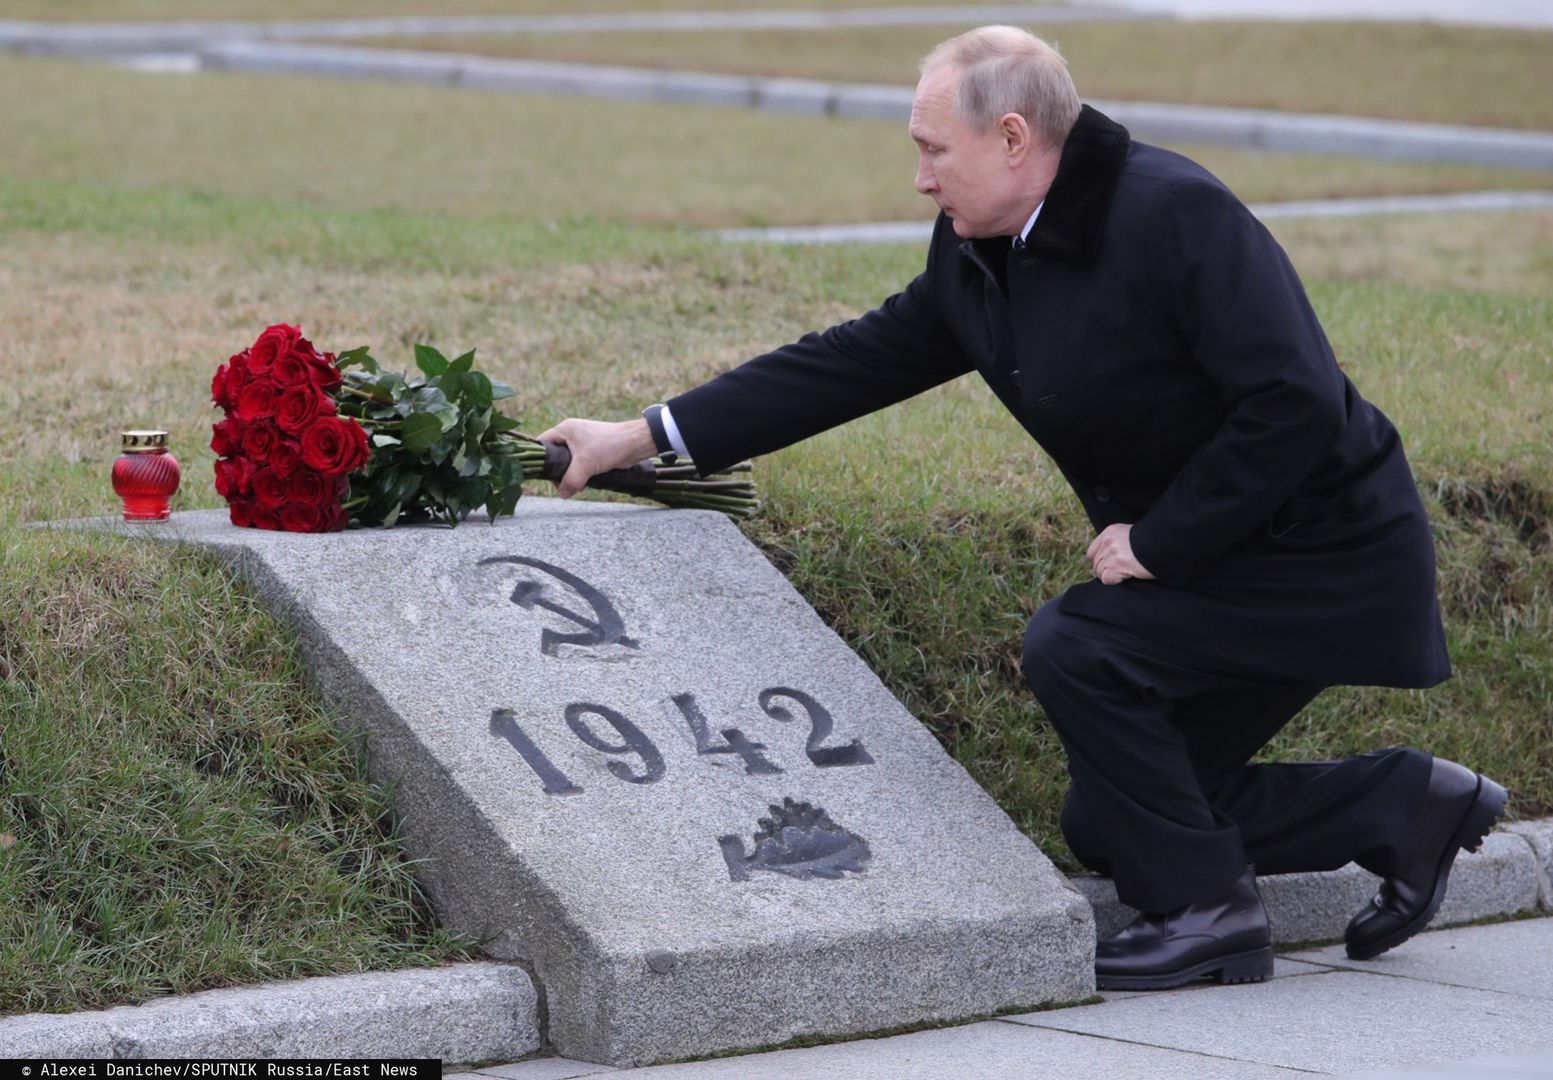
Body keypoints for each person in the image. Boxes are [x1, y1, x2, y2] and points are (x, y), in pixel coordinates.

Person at [538, 25, 1508, 990]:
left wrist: (1163, 542)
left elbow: (1291, 399)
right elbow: (854, 360)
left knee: (1077, 643)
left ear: (1011, 139)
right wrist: (642, 435)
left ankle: (1208, 914)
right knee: (1112, 822)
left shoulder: (1173, 214)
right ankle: (1402, 806)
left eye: (930, 150)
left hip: (1317, 551)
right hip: (1230, 555)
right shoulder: (977, 244)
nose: (919, 178)